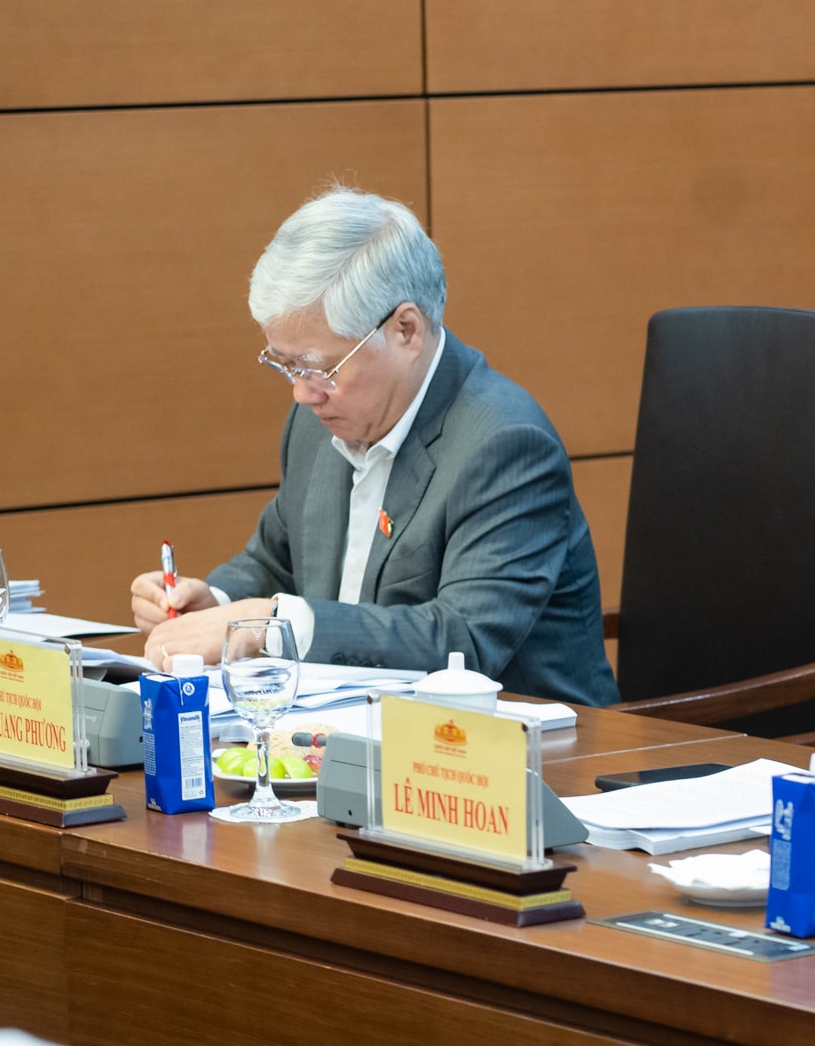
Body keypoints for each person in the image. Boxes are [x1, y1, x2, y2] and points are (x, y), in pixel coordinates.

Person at [130, 187, 620, 707]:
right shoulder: (316, 422)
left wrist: (272, 625)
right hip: (352, 733)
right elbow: (276, 560)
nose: (303, 393)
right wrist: (215, 603)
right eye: (287, 365)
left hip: (526, 744)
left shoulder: (505, 444)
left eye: (320, 368)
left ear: (406, 330)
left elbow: (463, 639)